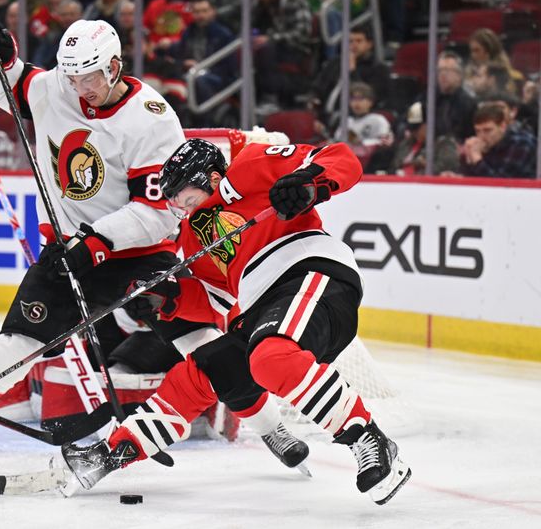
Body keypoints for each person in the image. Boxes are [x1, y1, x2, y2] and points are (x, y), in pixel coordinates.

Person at [0, 18, 296, 477]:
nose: (79, 88)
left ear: (113, 67)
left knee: (203, 344)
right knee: (14, 347)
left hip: (142, 254)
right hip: (68, 252)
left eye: (89, 77)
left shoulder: (151, 119)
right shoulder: (56, 86)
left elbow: (159, 210)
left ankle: (270, 425)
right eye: (71, 77)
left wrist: (96, 242)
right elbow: (9, 85)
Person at [62, 138, 412, 506]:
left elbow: (340, 157)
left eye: (184, 195)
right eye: (172, 201)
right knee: (203, 371)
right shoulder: (194, 238)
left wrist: (310, 182)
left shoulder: (252, 163)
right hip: (260, 309)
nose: (178, 207)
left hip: (308, 272)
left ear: (211, 178)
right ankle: (110, 454)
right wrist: (169, 299)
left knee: (270, 358)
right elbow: (218, 303)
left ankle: (368, 438)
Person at [461, 103, 537, 179]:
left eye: (487, 130)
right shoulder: (483, 145)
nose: (481, 136)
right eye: (478, 131)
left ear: (502, 126)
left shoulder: (521, 143)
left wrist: (477, 159)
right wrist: (468, 159)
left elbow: (502, 183)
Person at [434, 51, 476, 143]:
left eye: (447, 70)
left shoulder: (468, 103)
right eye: (440, 70)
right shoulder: (429, 97)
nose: (443, 74)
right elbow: (410, 116)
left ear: (459, 75)